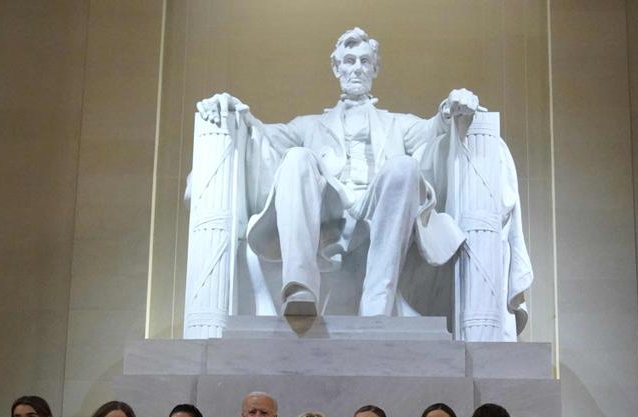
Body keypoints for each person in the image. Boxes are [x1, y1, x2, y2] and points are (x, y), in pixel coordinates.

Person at [196, 28, 485, 317]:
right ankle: (300, 288)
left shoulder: (398, 123)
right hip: (328, 209)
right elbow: (261, 137)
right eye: (349, 61)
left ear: (375, 69)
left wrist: (450, 109)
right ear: (336, 68)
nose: (357, 68)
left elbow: (433, 130)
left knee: (404, 166)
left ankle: (377, 301)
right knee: (296, 157)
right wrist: (236, 113)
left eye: (364, 61)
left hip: (380, 208)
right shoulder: (309, 125)